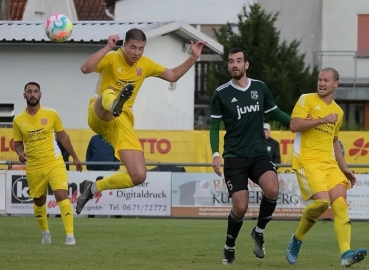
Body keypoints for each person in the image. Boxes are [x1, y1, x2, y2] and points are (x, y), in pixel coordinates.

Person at [75, 28, 206, 214]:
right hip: (99, 112)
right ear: (124, 45)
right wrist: (107, 47)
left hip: (122, 121)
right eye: (133, 47)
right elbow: (85, 68)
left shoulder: (144, 64)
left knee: (138, 175)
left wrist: (193, 57)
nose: (137, 52)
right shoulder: (112, 57)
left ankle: (92, 188)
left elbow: (172, 75)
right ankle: (114, 103)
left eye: (141, 48)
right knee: (109, 92)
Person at [209, 48, 291, 265]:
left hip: (257, 153)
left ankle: (259, 231)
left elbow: (275, 112)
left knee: (273, 189)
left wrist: (295, 123)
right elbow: (215, 126)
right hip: (234, 157)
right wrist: (216, 153)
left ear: (247, 64)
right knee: (240, 207)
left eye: (238, 61)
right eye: (231, 62)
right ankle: (229, 246)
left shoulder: (259, 88)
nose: (234, 65)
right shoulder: (221, 93)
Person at [286, 67, 367, 267]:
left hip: (329, 164)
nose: (322, 83)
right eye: (320, 80)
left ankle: (346, 254)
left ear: (335, 84)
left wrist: (345, 168)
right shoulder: (306, 99)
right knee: (322, 204)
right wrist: (321, 119)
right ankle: (297, 238)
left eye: (326, 80)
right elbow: (294, 125)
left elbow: (334, 142)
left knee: (340, 203)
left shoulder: (338, 111)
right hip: (308, 162)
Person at [12, 82, 83, 245]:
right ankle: (45, 232)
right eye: (29, 92)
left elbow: (63, 136)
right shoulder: (18, 120)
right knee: (38, 200)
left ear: (40, 94)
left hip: (54, 161)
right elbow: (17, 143)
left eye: (35, 91)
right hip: (34, 165)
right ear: (24, 95)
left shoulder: (51, 114)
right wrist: (20, 153)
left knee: (61, 195)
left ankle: (70, 236)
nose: (32, 94)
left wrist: (75, 157)